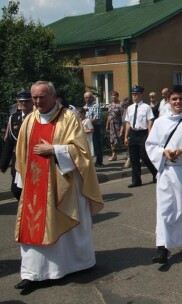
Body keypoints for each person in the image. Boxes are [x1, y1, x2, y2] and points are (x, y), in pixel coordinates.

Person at [14, 81, 103, 293]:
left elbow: (81, 152)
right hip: (35, 186)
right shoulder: (29, 120)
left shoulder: (68, 118)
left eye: (41, 97)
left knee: (66, 225)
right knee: (33, 226)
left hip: (64, 183)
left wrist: (54, 149)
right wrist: (20, 180)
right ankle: (32, 273)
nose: (37, 102)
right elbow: (22, 151)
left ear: (53, 97)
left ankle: (74, 265)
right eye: (34, 97)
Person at [145, 85, 182, 264]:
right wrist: (163, 153)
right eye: (174, 99)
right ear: (169, 101)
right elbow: (151, 145)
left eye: (180, 99)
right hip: (166, 171)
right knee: (164, 210)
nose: (177, 102)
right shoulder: (160, 122)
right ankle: (162, 248)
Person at [0, 91, 34, 201]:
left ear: (31, 102)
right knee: (16, 189)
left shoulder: (37, 117)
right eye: (21, 101)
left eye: (27, 101)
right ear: (17, 103)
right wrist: (3, 164)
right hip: (18, 159)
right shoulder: (14, 118)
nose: (23, 104)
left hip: (34, 157)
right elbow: (9, 142)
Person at [124, 85, 158, 188]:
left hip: (143, 134)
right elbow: (128, 123)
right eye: (133, 94)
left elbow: (150, 121)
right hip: (133, 134)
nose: (135, 96)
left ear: (141, 95)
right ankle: (136, 180)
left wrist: (150, 135)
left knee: (144, 156)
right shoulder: (129, 108)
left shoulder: (146, 107)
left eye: (136, 94)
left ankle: (156, 174)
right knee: (134, 158)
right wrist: (126, 136)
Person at [83, 92, 103, 167]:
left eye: (89, 97)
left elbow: (97, 118)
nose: (87, 99)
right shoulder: (84, 107)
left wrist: (86, 121)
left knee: (96, 144)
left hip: (95, 127)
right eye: (86, 98)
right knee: (88, 145)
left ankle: (99, 162)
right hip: (86, 128)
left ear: (92, 98)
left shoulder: (96, 106)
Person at [105, 90, 124, 161]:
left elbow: (123, 115)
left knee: (122, 138)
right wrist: (107, 124)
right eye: (112, 96)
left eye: (115, 95)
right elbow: (109, 115)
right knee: (112, 140)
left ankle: (128, 154)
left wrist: (123, 125)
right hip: (112, 125)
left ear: (117, 96)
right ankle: (114, 154)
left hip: (119, 124)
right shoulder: (110, 105)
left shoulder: (121, 104)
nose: (113, 97)